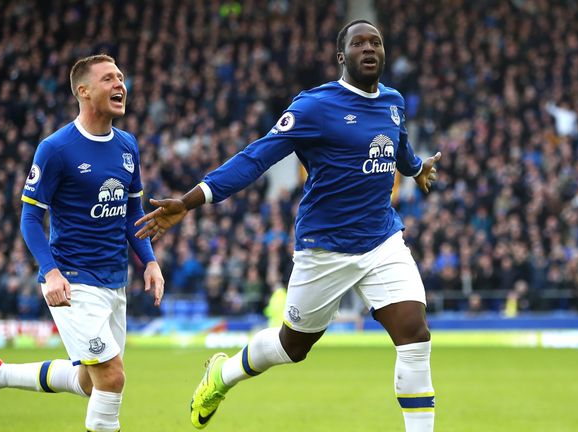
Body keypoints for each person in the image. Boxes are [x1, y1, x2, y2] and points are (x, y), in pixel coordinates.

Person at [136, 20, 440, 432]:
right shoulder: (314, 106)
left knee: (415, 336)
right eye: (358, 43)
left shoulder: (393, 101)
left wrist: (418, 168)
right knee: (291, 346)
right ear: (341, 57)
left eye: (376, 42)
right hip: (325, 248)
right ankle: (221, 377)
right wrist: (190, 201)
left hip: (382, 242)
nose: (369, 49)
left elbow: (399, 147)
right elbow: (255, 158)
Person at [0, 54, 164, 432]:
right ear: (83, 91)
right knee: (113, 378)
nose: (120, 84)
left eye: (121, 76)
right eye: (108, 79)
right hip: (72, 281)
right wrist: (51, 273)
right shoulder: (56, 148)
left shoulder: (128, 145)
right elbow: (31, 218)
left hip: (115, 281)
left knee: (90, 382)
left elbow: (133, 211)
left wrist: (148, 260)